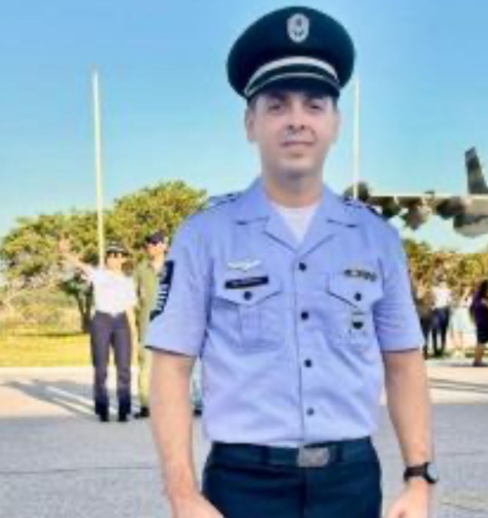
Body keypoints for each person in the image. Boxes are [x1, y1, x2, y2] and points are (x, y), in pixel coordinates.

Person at [146, 7, 436, 518]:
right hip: (242, 486)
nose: (297, 120)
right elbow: (171, 367)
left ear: (334, 122)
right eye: (277, 105)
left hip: (350, 483)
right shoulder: (203, 236)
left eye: (314, 104)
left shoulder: (376, 239)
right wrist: (183, 495)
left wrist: (418, 478)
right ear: (250, 123)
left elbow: (404, 362)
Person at [59, 239, 136, 422]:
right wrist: (64, 252)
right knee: (100, 367)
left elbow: (130, 309)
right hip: (102, 320)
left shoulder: (128, 281)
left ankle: (123, 409)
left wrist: (134, 332)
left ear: (123, 259)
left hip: (121, 322)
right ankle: (102, 408)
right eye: (110, 255)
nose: (113, 258)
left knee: (124, 368)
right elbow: (79, 264)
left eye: (117, 255)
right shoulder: (98, 275)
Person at [133, 231, 168, 418]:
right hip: (147, 326)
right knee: (146, 366)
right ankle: (146, 405)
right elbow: (132, 298)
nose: (150, 247)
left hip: (171, 327)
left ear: (164, 245)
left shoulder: (176, 268)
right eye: (148, 244)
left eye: (154, 243)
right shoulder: (140, 270)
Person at [471, 280, 488, 367]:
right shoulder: (482, 298)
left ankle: (477, 360)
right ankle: (477, 361)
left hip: (480, 321)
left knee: (480, 341)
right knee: (481, 342)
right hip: (483, 322)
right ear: (486, 288)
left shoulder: (477, 296)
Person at [449, 284, 473, 359]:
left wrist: (465, 295)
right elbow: (456, 304)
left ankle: (462, 351)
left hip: (462, 316)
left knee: (461, 334)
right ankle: (456, 350)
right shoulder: (452, 297)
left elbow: (466, 305)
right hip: (455, 315)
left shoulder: (468, 298)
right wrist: (464, 295)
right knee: (454, 333)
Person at [430, 276, 452, 357]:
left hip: (445, 310)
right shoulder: (434, 289)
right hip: (436, 310)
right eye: (441, 282)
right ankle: (435, 349)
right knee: (434, 330)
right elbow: (432, 298)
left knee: (443, 331)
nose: (443, 283)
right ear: (439, 282)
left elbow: (449, 301)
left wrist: (449, 300)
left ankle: (442, 349)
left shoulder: (448, 291)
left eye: (444, 282)